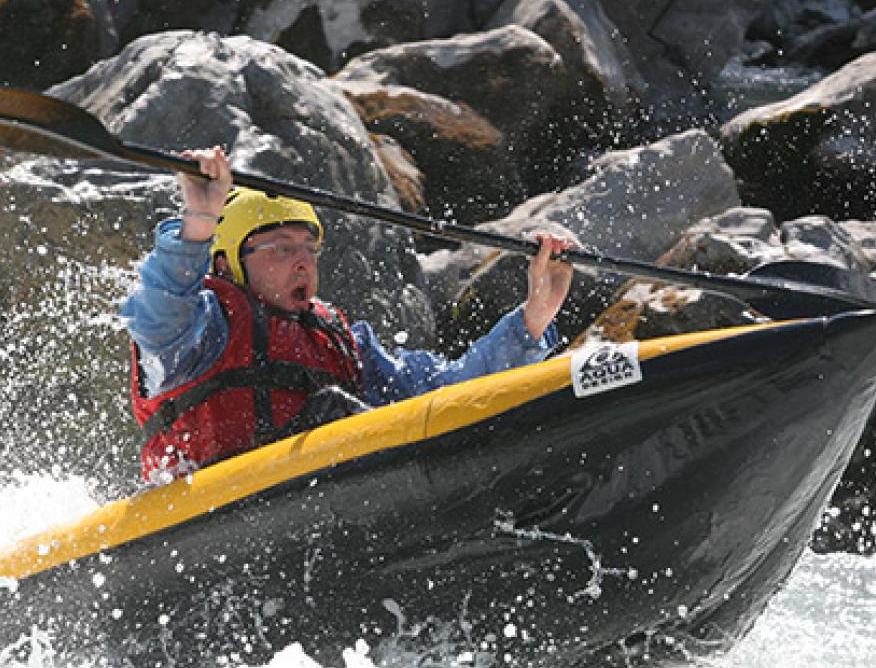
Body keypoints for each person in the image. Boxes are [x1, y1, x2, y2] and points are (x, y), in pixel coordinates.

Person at [120, 146, 575, 483]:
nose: (303, 262)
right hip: (214, 510)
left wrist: (533, 316)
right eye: (281, 248)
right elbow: (157, 312)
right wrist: (200, 221)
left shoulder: (338, 340)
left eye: (309, 249)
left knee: (338, 408)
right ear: (225, 264)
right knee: (330, 410)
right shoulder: (200, 331)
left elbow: (443, 394)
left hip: (322, 501)